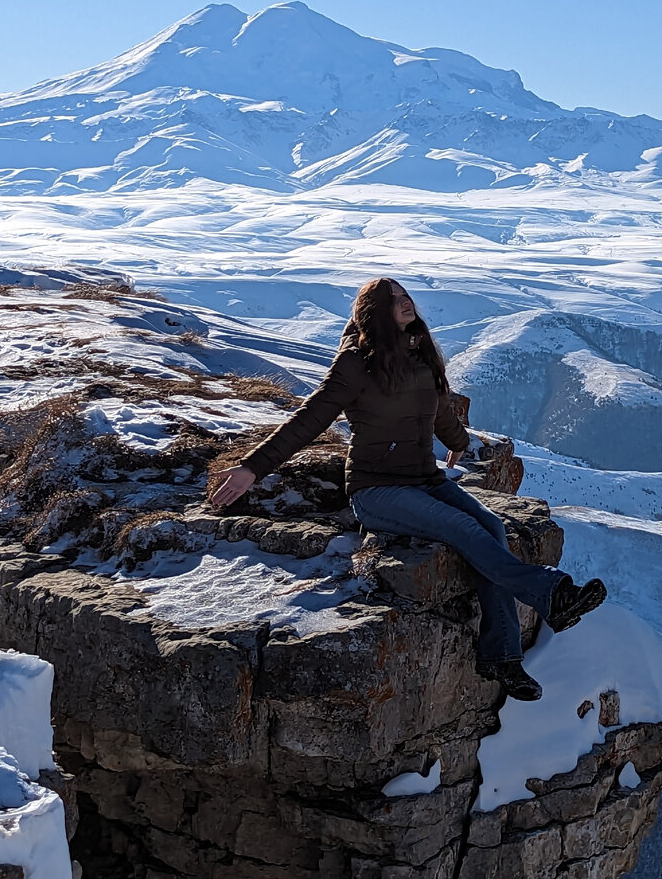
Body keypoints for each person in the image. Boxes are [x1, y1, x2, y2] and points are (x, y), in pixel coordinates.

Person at [209, 277, 606, 701]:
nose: (404, 302)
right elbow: (308, 419)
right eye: (392, 299)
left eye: (405, 295)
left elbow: (438, 409)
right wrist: (252, 468)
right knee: (463, 529)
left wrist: (459, 441)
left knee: (491, 526)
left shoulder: (420, 353)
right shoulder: (355, 363)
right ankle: (551, 592)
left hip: (425, 478)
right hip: (376, 490)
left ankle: (501, 656)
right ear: (373, 312)